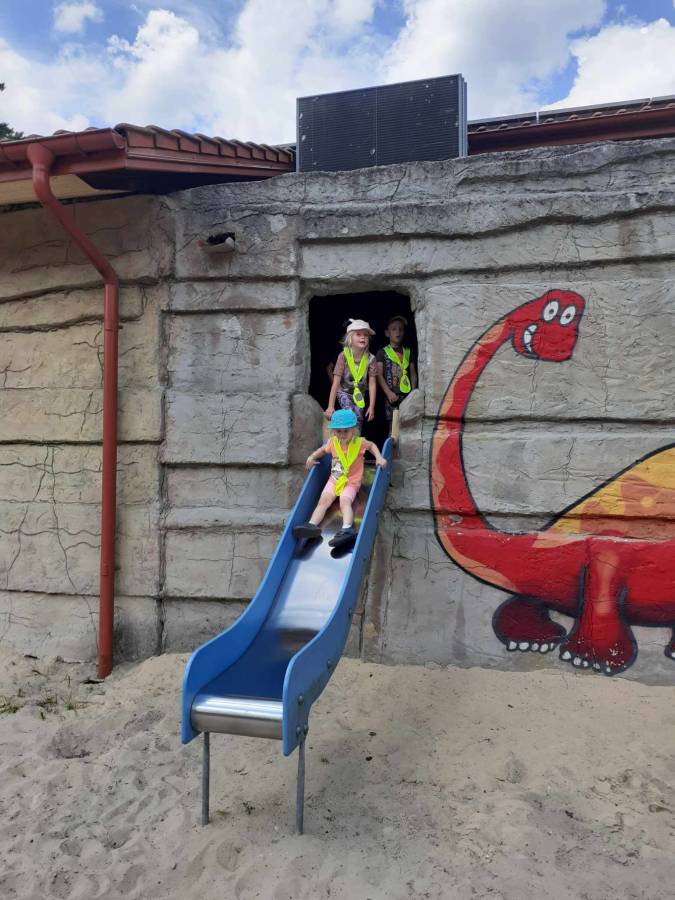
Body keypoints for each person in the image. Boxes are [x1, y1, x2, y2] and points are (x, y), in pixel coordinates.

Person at [293, 409, 387, 546]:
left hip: (351, 482)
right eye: (338, 431)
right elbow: (322, 450)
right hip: (335, 479)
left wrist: (379, 457)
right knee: (323, 501)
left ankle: (347, 529)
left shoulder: (359, 443)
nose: (342, 434)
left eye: (346, 431)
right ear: (334, 431)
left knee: (344, 501)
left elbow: (371, 445)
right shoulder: (333, 442)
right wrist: (312, 457)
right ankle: (312, 525)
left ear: (353, 430)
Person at [326, 319, 378, 428]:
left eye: (366, 335)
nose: (363, 337)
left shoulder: (371, 359)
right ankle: (345, 436)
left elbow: (372, 383)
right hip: (343, 391)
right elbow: (335, 383)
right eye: (358, 334)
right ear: (350, 338)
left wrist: (371, 406)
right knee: (350, 414)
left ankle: (355, 438)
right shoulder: (343, 356)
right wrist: (330, 406)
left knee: (358, 419)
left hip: (360, 394)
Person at [376, 315, 418, 427]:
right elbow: (379, 374)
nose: (397, 332)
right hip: (392, 395)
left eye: (401, 329)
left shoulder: (408, 352)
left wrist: (413, 393)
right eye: (394, 329)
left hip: (407, 395)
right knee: (394, 426)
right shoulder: (382, 352)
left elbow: (413, 374)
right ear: (387, 333)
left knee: (408, 424)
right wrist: (388, 392)